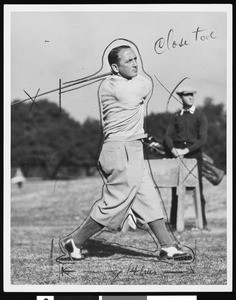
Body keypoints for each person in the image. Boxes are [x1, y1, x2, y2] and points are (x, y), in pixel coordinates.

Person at [59, 45, 192, 261]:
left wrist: (122, 71)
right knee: (115, 202)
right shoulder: (121, 89)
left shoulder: (111, 82)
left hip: (132, 148)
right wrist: (126, 73)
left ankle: (167, 246)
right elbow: (146, 83)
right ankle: (76, 240)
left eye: (135, 59)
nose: (135, 64)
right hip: (120, 149)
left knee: (149, 198)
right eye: (128, 61)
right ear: (114, 66)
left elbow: (138, 78)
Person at [164, 86, 209, 231]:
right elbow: (167, 136)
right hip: (177, 155)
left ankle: (203, 223)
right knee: (175, 190)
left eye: (192, 94)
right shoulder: (176, 116)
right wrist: (174, 150)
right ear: (181, 97)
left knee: (198, 189)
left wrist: (186, 150)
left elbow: (202, 140)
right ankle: (174, 223)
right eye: (187, 95)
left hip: (194, 156)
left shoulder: (200, 115)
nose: (190, 97)